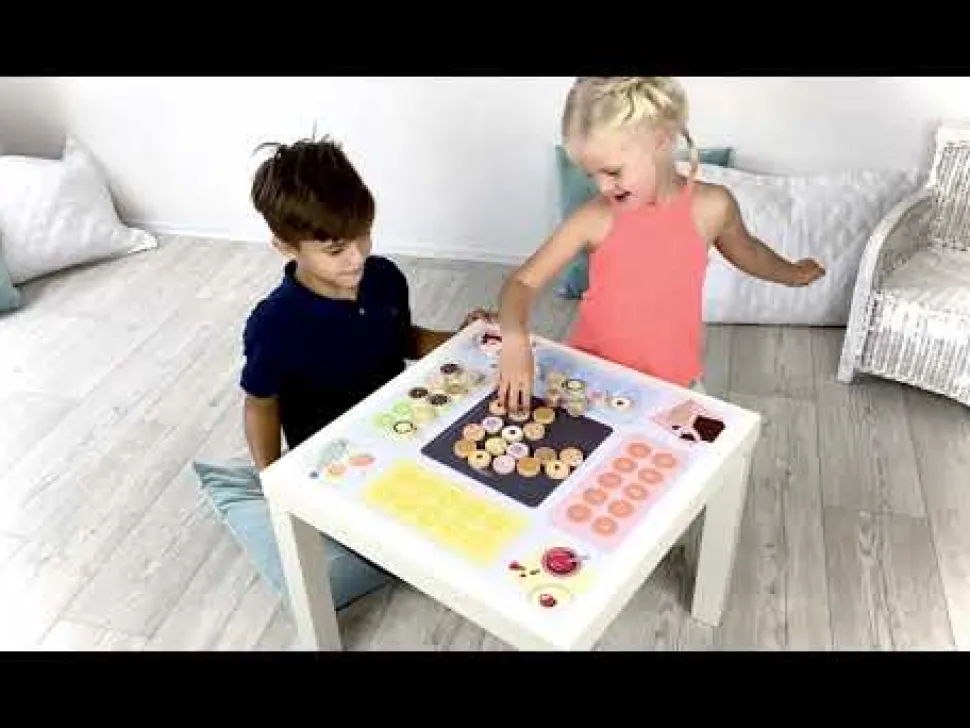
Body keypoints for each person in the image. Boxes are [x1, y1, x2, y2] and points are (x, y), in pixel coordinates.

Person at [199, 135, 490, 612]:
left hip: (402, 427)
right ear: (285, 247)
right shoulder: (275, 325)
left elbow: (401, 338)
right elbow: (260, 405)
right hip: (338, 462)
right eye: (336, 249)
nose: (357, 257)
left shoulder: (385, 277)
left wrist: (463, 337)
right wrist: (273, 480)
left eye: (363, 236)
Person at [495, 77, 826, 411]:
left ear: (660, 140)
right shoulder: (594, 217)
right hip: (594, 383)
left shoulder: (712, 207)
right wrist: (514, 337)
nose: (603, 187)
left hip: (675, 387)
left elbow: (749, 252)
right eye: (592, 175)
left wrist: (793, 274)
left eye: (613, 172)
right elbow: (522, 282)